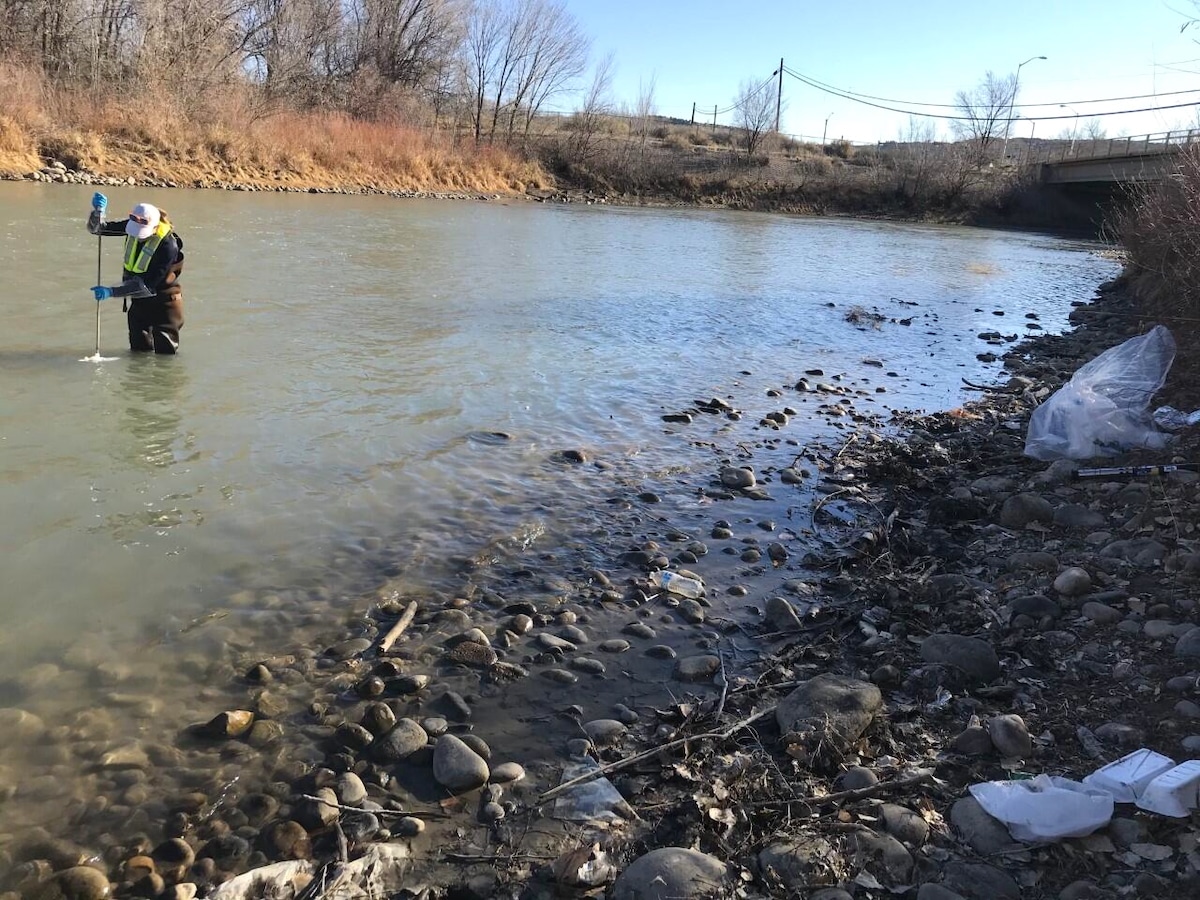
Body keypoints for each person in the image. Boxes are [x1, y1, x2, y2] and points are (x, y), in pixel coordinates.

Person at [87, 192, 186, 354]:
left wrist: (111, 291)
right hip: (139, 304)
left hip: (165, 305)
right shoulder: (131, 225)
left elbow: (146, 285)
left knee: (165, 356)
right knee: (138, 352)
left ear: (154, 227)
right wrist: (98, 213)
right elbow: (98, 230)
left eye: (142, 233)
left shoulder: (169, 246)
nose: (137, 236)